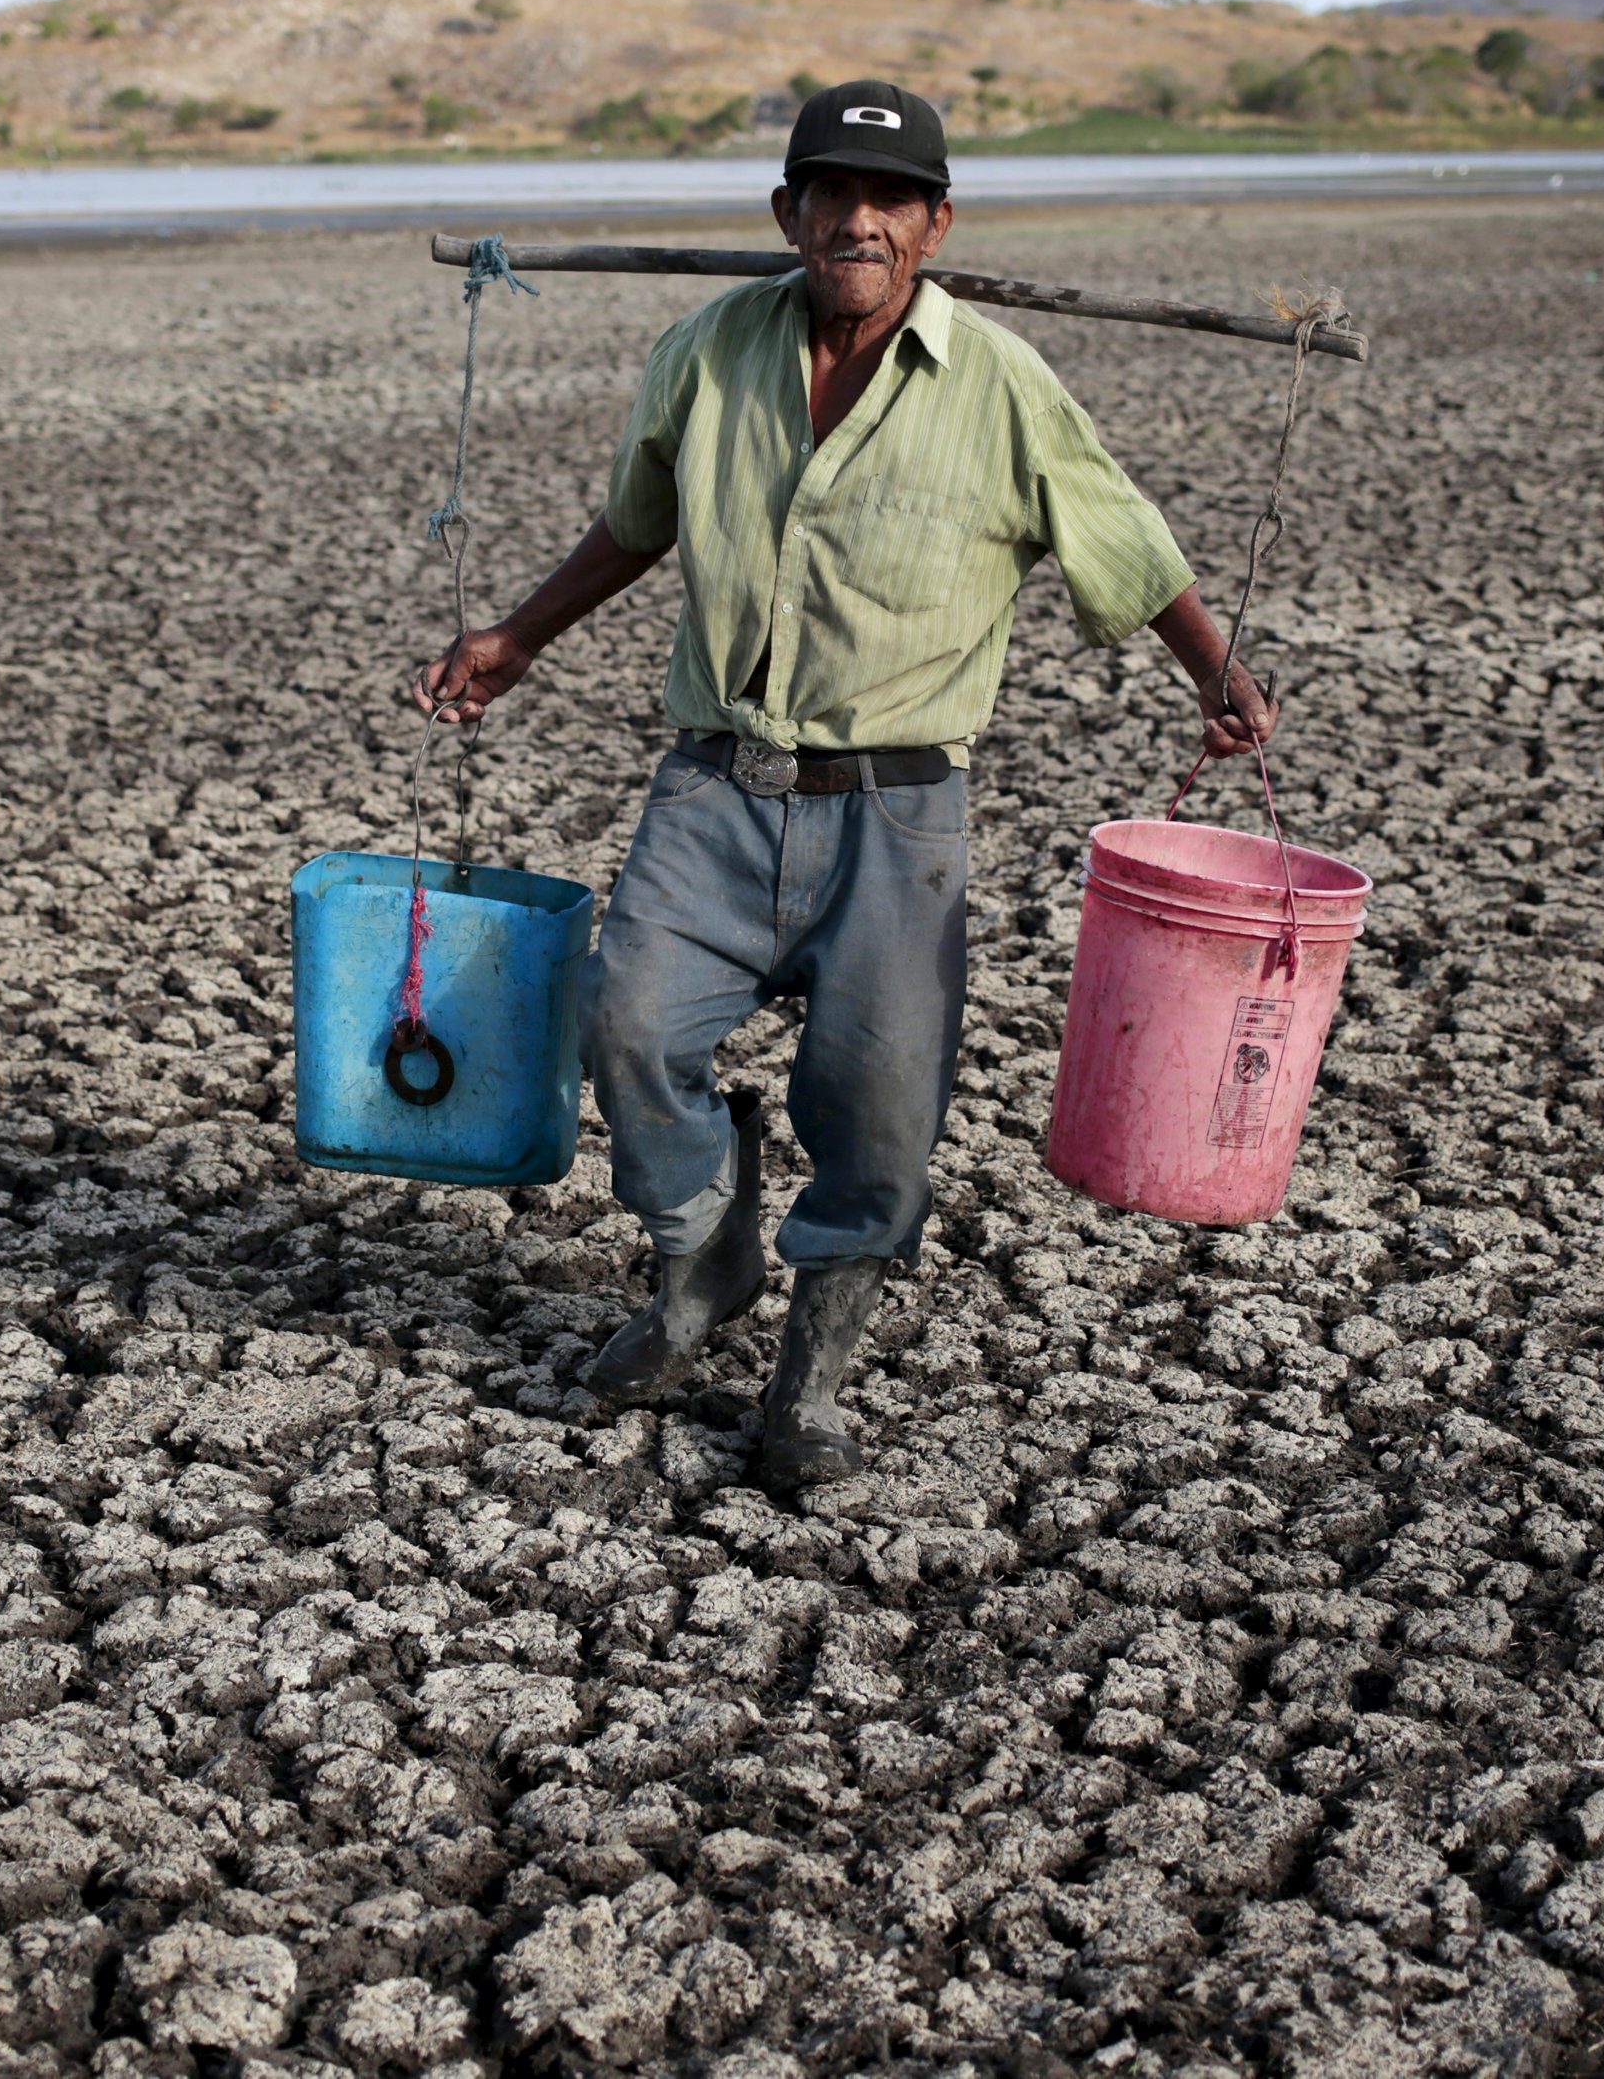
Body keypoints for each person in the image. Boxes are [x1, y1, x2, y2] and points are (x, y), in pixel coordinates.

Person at [412, 78, 1274, 1496]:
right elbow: (635, 521)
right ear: (788, 215)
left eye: (889, 202)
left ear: (936, 224)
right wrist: (515, 638)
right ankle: (706, 1260)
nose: (856, 221)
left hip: (900, 813)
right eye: (830, 196)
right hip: (716, 786)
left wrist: (1214, 669)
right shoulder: (708, 350)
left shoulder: (1000, 383)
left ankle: (812, 1372)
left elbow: (1124, 537)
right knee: (623, 1021)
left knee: (879, 1105)